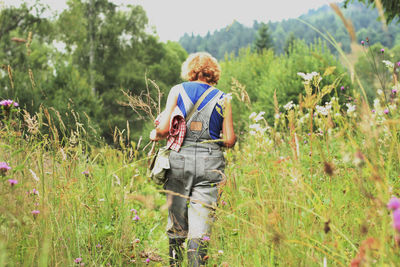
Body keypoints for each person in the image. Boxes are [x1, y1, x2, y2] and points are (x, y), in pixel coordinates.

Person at [149, 52, 236, 266]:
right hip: (210, 164)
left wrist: (156, 134)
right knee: (201, 227)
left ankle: (175, 263)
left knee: (177, 223)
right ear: (212, 72)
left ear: (191, 70)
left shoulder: (177, 91)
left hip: (179, 160)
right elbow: (230, 140)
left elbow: (165, 129)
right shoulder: (223, 98)